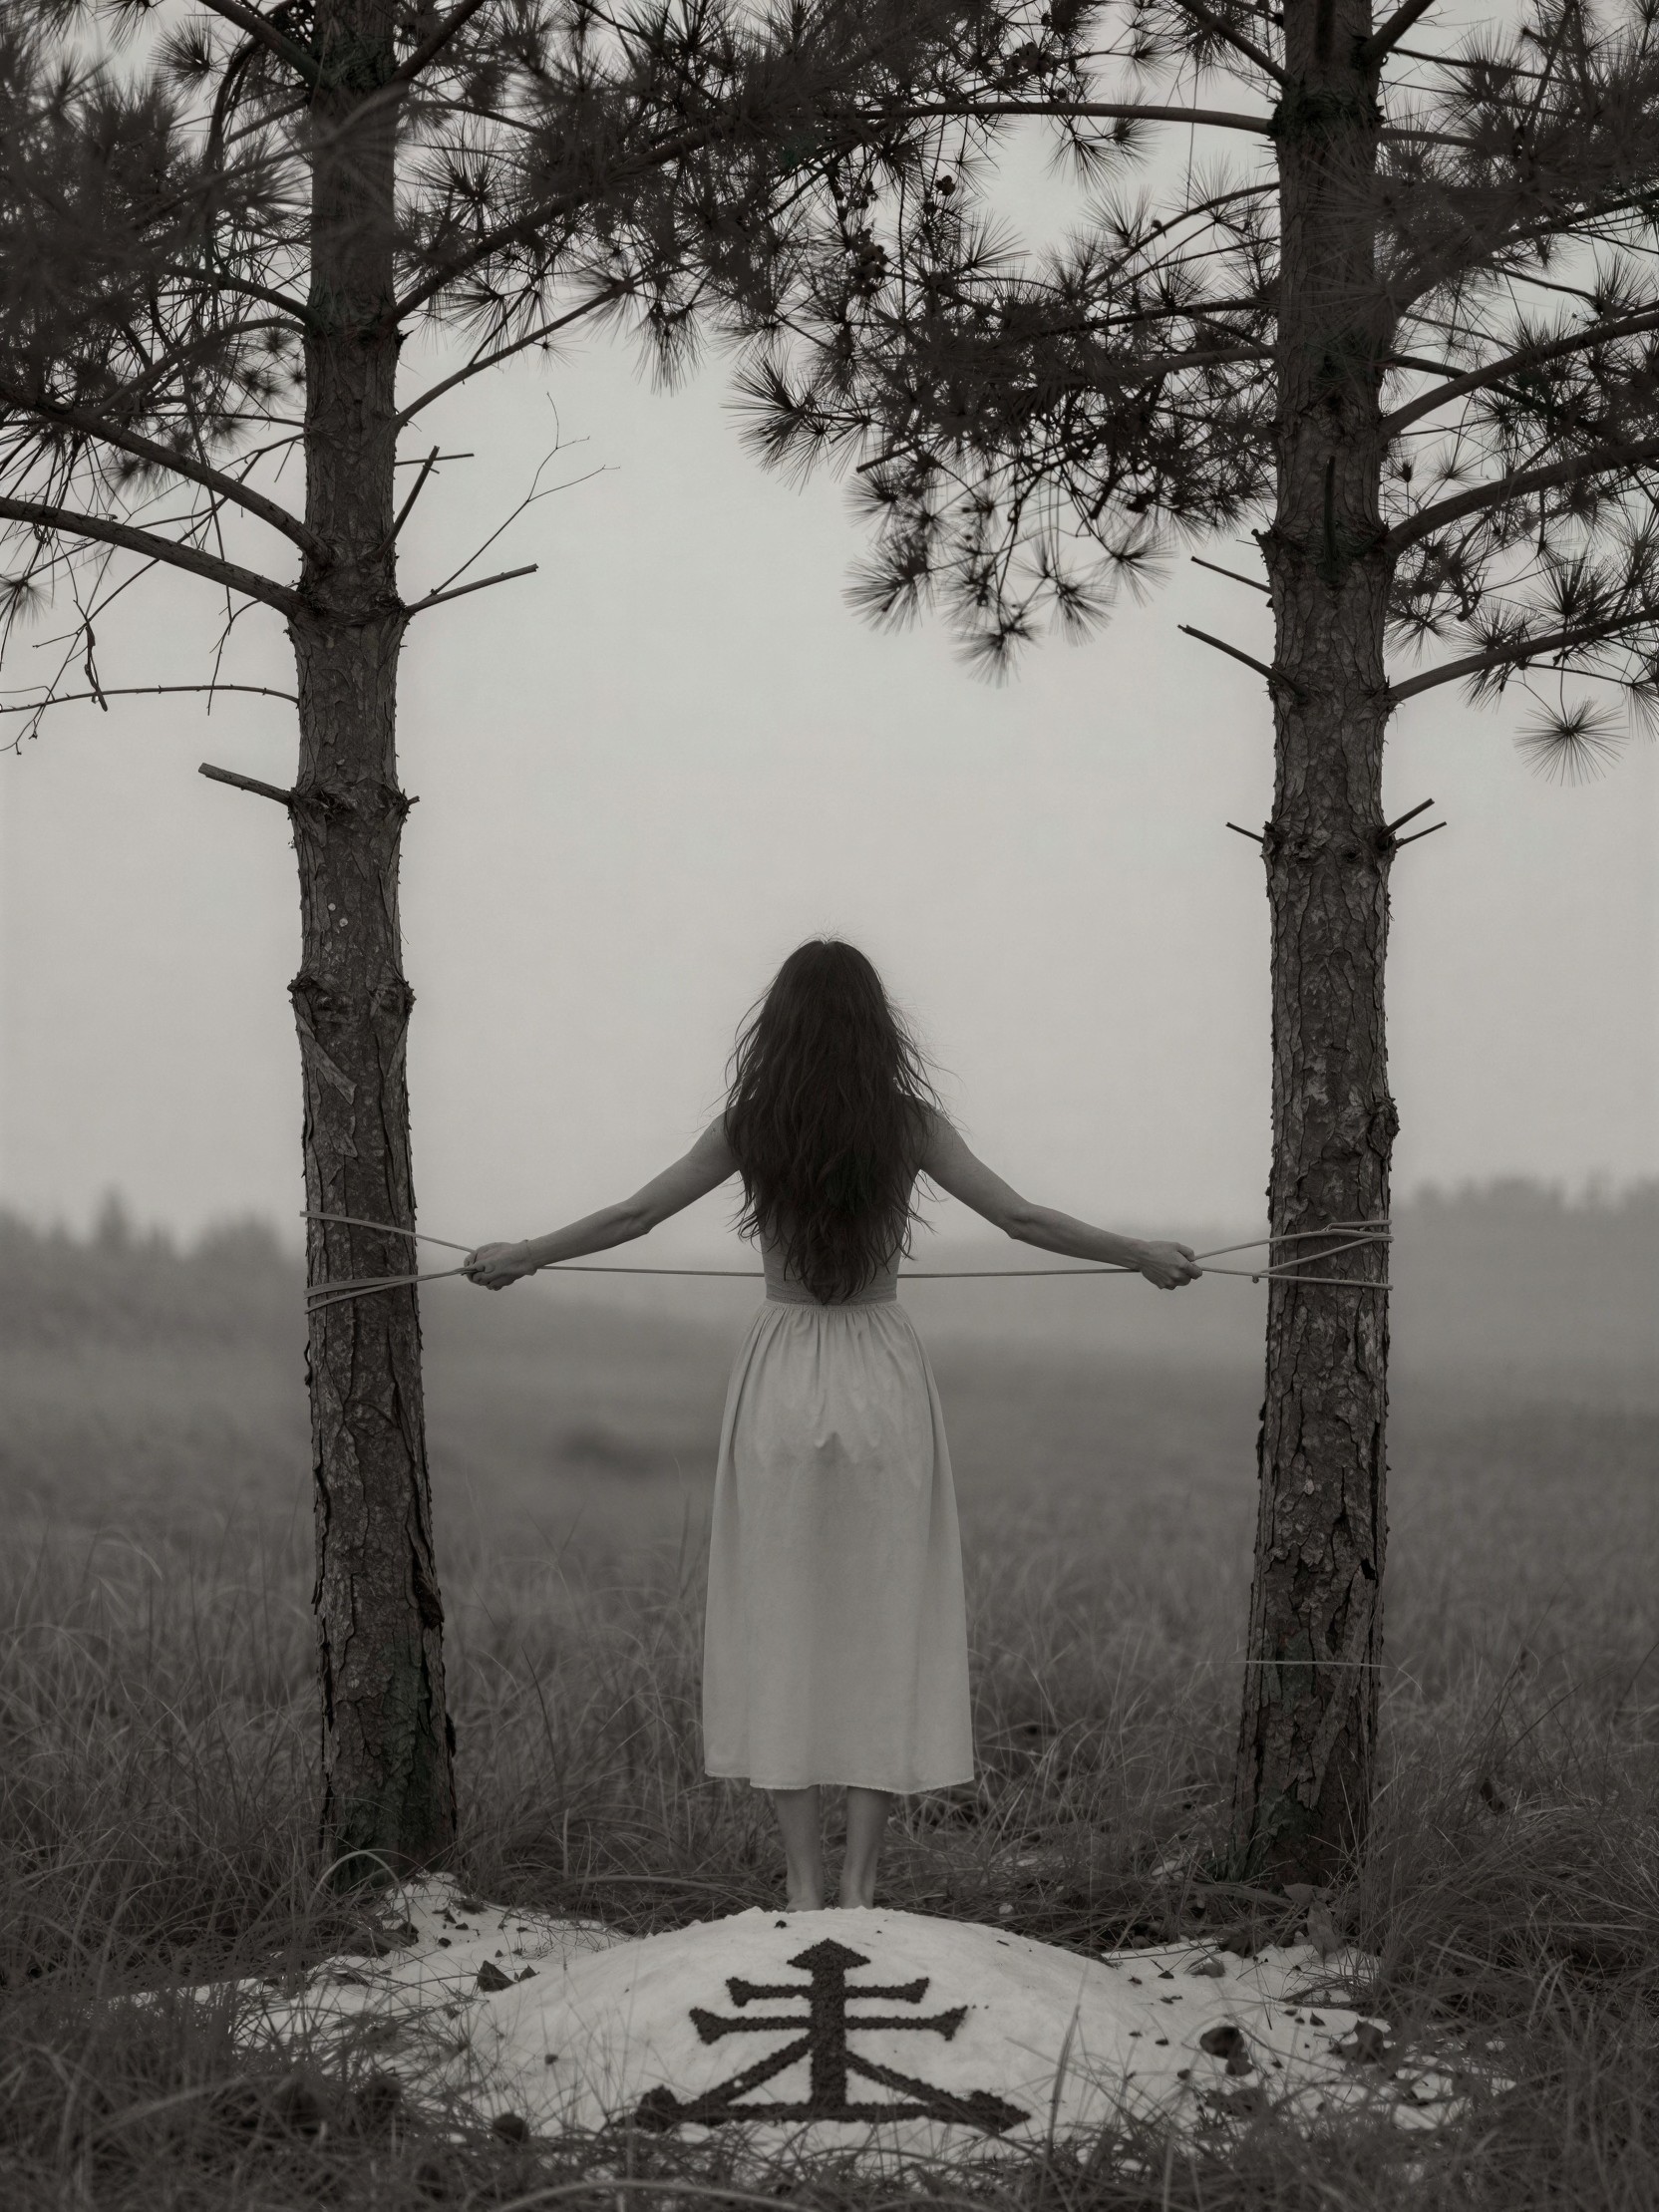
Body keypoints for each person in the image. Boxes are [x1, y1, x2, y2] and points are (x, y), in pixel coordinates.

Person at [465, 939, 1200, 1911]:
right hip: (880, 1374)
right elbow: (1020, 1218)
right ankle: (858, 1883)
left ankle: (803, 1882)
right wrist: (1139, 1254)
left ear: (775, 1028)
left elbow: (633, 1215)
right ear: (874, 1026)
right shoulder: (907, 1124)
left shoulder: (750, 1125)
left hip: (779, 1374)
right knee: (880, 1616)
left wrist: (523, 1255)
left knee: (780, 1619)